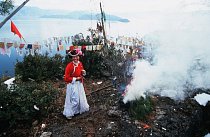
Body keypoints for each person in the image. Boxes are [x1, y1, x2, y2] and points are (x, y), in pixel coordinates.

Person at [63, 49, 89, 119]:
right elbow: (66, 78)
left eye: (76, 56)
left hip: (79, 84)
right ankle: (70, 112)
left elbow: (81, 71)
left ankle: (77, 111)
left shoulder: (80, 63)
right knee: (75, 100)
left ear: (78, 57)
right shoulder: (69, 66)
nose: (75, 58)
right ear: (71, 58)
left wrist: (83, 72)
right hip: (72, 85)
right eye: (73, 57)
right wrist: (76, 79)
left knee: (80, 97)